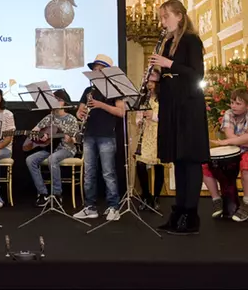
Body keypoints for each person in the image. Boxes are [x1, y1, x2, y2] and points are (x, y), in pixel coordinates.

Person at [149, 0, 209, 235]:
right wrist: (156, 81)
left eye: (166, 17)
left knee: (190, 161)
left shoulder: (191, 40)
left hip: (189, 108)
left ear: (180, 17)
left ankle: (190, 216)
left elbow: (196, 74)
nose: (162, 22)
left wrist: (168, 64)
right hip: (172, 106)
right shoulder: (167, 43)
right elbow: (170, 75)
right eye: (161, 18)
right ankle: (178, 213)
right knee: (178, 160)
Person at [73, 55, 123, 222]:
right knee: (89, 173)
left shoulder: (114, 89)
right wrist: (80, 113)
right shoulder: (89, 91)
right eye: (94, 69)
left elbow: (121, 112)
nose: (95, 71)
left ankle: (113, 207)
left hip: (106, 135)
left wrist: (101, 105)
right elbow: (80, 111)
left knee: (108, 173)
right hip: (89, 135)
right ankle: (90, 207)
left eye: (99, 69)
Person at [206, 88, 248, 222]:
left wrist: (228, 142)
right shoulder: (228, 113)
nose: (234, 106)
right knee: (205, 164)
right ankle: (217, 200)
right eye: (232, 102)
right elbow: (232, 135)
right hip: (239, 150)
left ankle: (247, 203)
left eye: (238, 104)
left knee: (246, 164)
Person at [24, 89, 80, 207]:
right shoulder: (49, 117)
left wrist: (70, 139)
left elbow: (75, 140)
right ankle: (43, 193)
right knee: (30, 160)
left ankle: (57, 194)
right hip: (49, 148)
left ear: (64, 102)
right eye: (53, 100)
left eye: (58, 100)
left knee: (52, 159)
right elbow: (34, 131)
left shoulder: (71, 119)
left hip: (66, 149)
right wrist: (41, 136)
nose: (55, 102)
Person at [135, 83, 164, 211]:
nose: (149, 85)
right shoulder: (143, 99)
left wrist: (152, 116)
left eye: (152, 82)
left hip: (160, 133)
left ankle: (156, 196)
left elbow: (166, 117)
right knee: (140, 164)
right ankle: (146, 195)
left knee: (159, 165)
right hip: (146, 134)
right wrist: (139, 120)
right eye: (148, 83)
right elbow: (137, 117)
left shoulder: (164, 98)